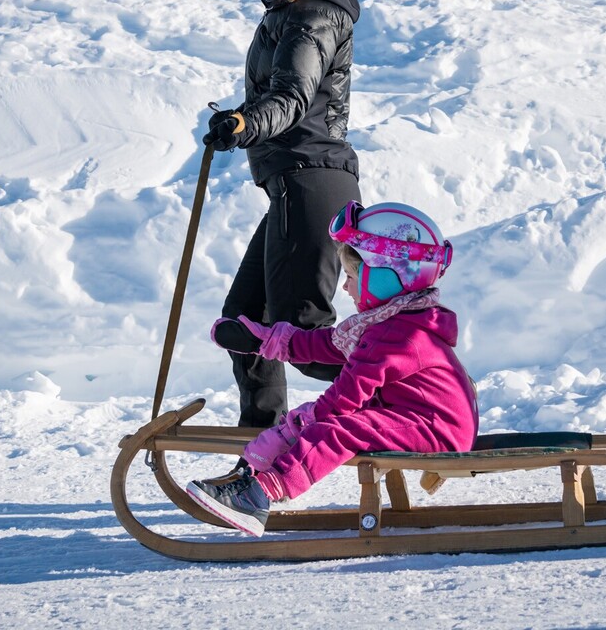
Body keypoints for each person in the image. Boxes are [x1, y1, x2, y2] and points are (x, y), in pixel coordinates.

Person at [186, 201, 478, 537]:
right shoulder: (394, 322)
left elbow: (344, 398)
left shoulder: (400, 335)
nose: (345, 286)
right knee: (330, 421)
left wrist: (294, 429)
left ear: (386, 277)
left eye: (351, 275)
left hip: (436, 429)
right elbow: (328, 344)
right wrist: (265, 340)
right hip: (427, 421)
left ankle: (260, 495)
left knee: (335, 430)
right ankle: (256, 486)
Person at [204, 0, 363, 429]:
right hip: (295, 182)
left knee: (304, 337)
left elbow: (292, 99)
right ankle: (262, 448)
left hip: (312, 178)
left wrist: (247, 123)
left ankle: (418, 394)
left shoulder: (312, 14)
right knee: (244, 325)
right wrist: (240, 118)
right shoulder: (290, 8)